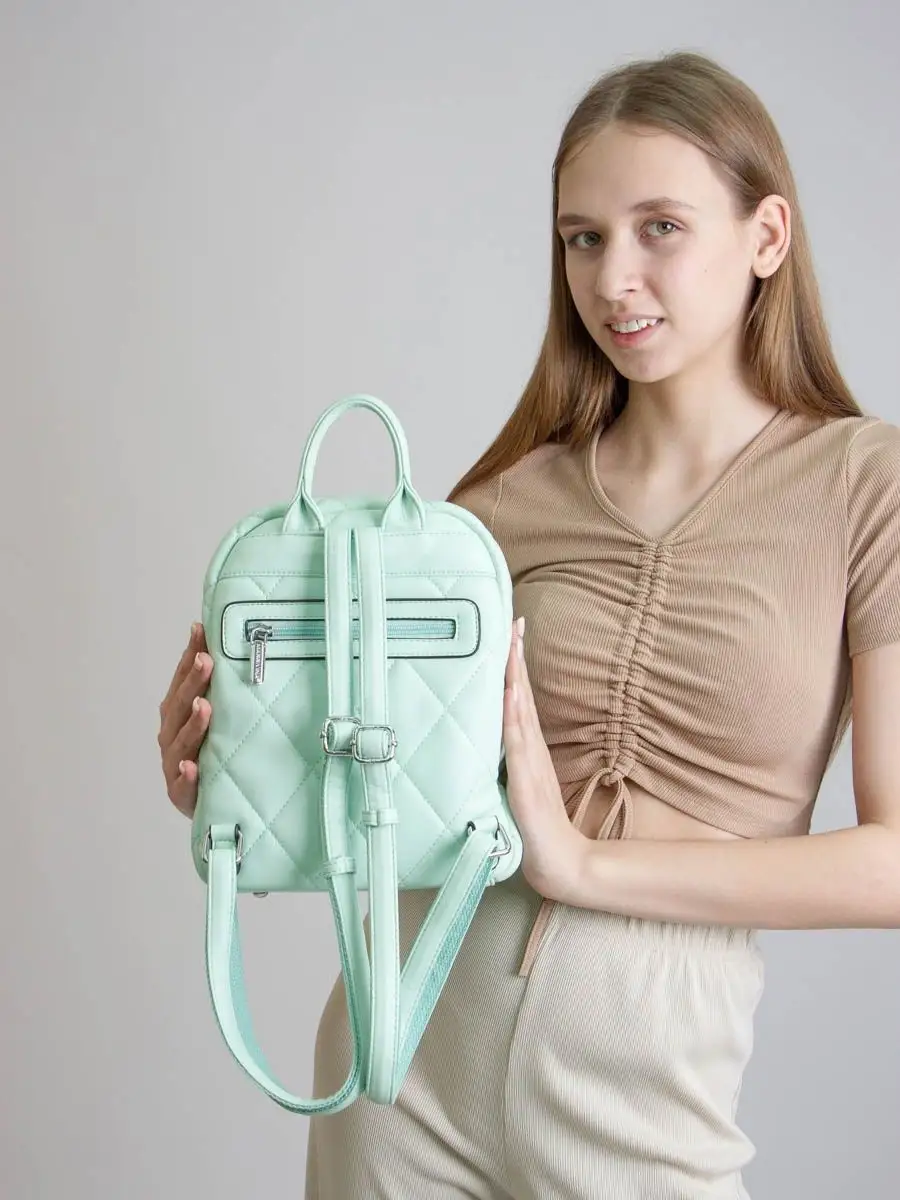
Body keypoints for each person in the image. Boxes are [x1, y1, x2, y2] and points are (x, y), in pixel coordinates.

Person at [158, 49, 900, 1200]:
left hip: (646, 1082)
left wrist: (584, 866)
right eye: (583, 238)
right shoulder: (495, 508)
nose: (613, 278)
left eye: (660, 228)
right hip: (399, 1059)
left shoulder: (865, 486)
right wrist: (232, 773)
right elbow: (388, 787)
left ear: (767, 236)